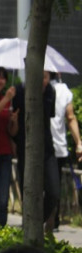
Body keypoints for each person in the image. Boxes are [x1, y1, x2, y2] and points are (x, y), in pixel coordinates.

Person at [12, 71, 58, 231]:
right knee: (29, 192)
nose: (43, 80)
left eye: (46, 77)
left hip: (47, 148)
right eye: (40, 76)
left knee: (54, 192)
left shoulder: (50, 91)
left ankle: (36, 222)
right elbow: (14, 122)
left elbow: (48, 116)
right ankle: (29, 226)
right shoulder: (18, 91)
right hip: (25, 148)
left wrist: (42, 94)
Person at [50, 72, 82, 230]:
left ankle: (46, 220)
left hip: (44, 147)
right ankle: (53, 221)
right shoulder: (64, 90)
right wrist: (79, 143)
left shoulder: (31, 87)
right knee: (54, 186)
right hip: (58, 147)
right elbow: (70, 117)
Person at [0, 68, 18, 227]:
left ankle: (1, 231)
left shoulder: (7, 100)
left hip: (5, 153)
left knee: (3, 199)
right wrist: (7, 98)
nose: (0, 81)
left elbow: (12, 131)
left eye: (3, 78)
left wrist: (14, 121)